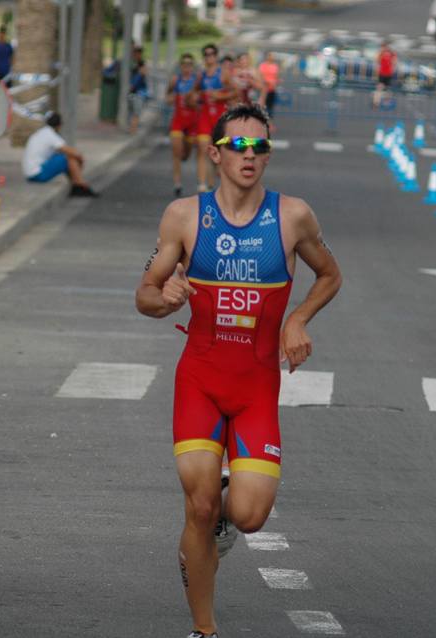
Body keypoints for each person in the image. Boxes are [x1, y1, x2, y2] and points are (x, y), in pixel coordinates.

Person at [135, 104, 342, 638]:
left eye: (260, 148)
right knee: (199, 506)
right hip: (200, 381)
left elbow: (329, 274)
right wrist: (167, 298)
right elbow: (146, 294)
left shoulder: (292, 216)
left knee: (247, 516)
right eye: (239, 147)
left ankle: (221, 520)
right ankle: (204, 630)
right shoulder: (185, 216)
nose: (249, 157)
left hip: (256, 389)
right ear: (216, 154)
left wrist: (297, 318)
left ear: (268, 155)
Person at [21, 112, 97, 197]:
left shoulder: (41, 133)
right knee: (67, 158)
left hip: (30, 174)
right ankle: (80, 185)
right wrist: (81, 160)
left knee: (65, 159)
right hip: (38, 174)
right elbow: (72, 152)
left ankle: (77, 185)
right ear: (59, 125)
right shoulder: (51, 135)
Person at [195, 44, 232, 192]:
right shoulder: (201, 75)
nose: (209, 57)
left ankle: (212, 181)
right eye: (206, 54)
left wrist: (220, 96)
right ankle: (202, 184)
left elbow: (235, 92)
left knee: (218, 151)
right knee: (203, 149)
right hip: (204, 116)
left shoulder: (223, 73)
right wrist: (195, 98)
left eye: (211, 54)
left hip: (219, 118)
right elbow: (194, 92)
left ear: (216, 56)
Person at [168, 53, 200, 197]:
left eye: (189, 65)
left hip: (192, 122)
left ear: (192, 67)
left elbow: (199, 101)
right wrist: (171, 98)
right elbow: (168, 95)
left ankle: (185, 154)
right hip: (178, 121)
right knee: (176, 151)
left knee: (185, 154)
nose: (187, 68)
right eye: (184, 65)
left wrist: (193, 101)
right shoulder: (176, 80)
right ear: (181, 66)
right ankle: (177, 184)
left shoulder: (197, 82)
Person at [128, 60, 150, 135]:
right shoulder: (139, 76)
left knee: (135, 114)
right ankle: (133, 130)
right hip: (137, 97)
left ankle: (133, 129)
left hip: (138, 97)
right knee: (136, 114)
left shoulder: (141, 76)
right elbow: (132, 86)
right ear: (141, 68)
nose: (146, 70)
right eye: (145, 68)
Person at [373, 41, 396, 108]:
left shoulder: (391, 54)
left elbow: (394, 62)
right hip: (383, 73)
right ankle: (377, 102)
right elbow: (377, 61)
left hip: (387, 73)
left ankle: (384, 102)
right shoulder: (382, 53)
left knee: (386, 89)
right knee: (380, 88)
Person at [257, 51, 281, 119]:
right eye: (270, 55)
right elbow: (260, 76)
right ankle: (262, 120)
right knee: (262, 105)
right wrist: (265, 82)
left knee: (270, 107)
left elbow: (277, 77)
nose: (271, 57)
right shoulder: (262, 65)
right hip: (264, 89)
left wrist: (277, 81)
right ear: (266, 56)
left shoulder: (275, 66)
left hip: (272, 89)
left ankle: (269, 122)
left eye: (272, 56)